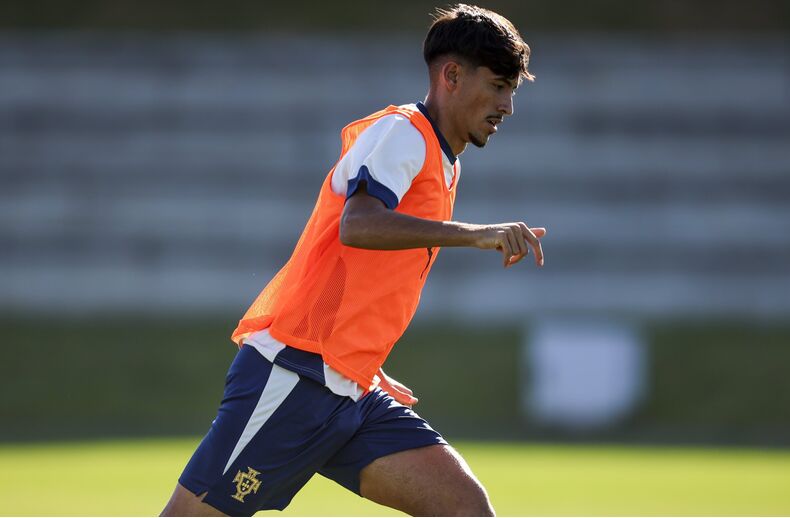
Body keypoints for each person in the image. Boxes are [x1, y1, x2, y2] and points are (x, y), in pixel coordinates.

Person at [161, 4, 542, 516]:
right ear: (451, 75)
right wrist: (479, 235)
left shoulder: (442, 161)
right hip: (294, 379)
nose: (507, 105)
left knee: (463, 506)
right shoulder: (404, 132)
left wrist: (367, 364)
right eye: (498, 85)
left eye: (511, 89)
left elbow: (360, 278)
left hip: (351, 390)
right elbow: (358, 225)